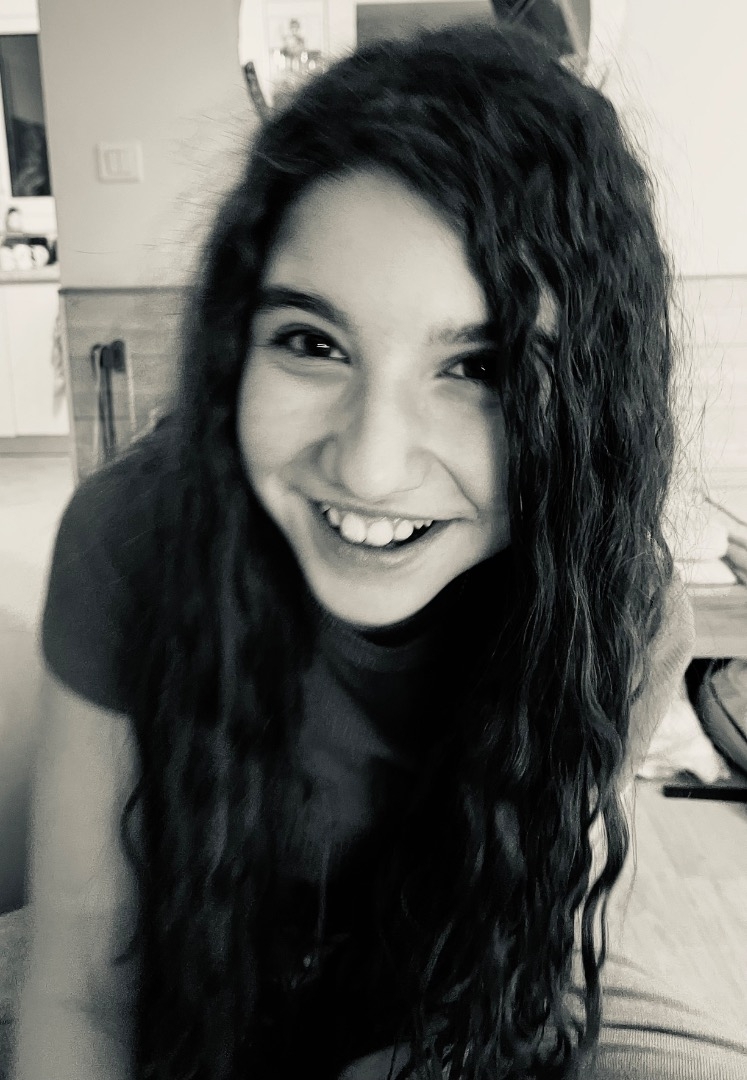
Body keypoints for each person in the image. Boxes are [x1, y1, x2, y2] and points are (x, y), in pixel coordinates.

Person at [12, 21, 747, 1080]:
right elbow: (83, 984)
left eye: (481, 367)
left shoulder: (615, 615)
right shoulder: (131, 541)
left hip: (462, 998)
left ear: (586, 399)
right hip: (182, 984)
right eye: (313, 343)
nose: (369, 463)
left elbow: (516, 955)